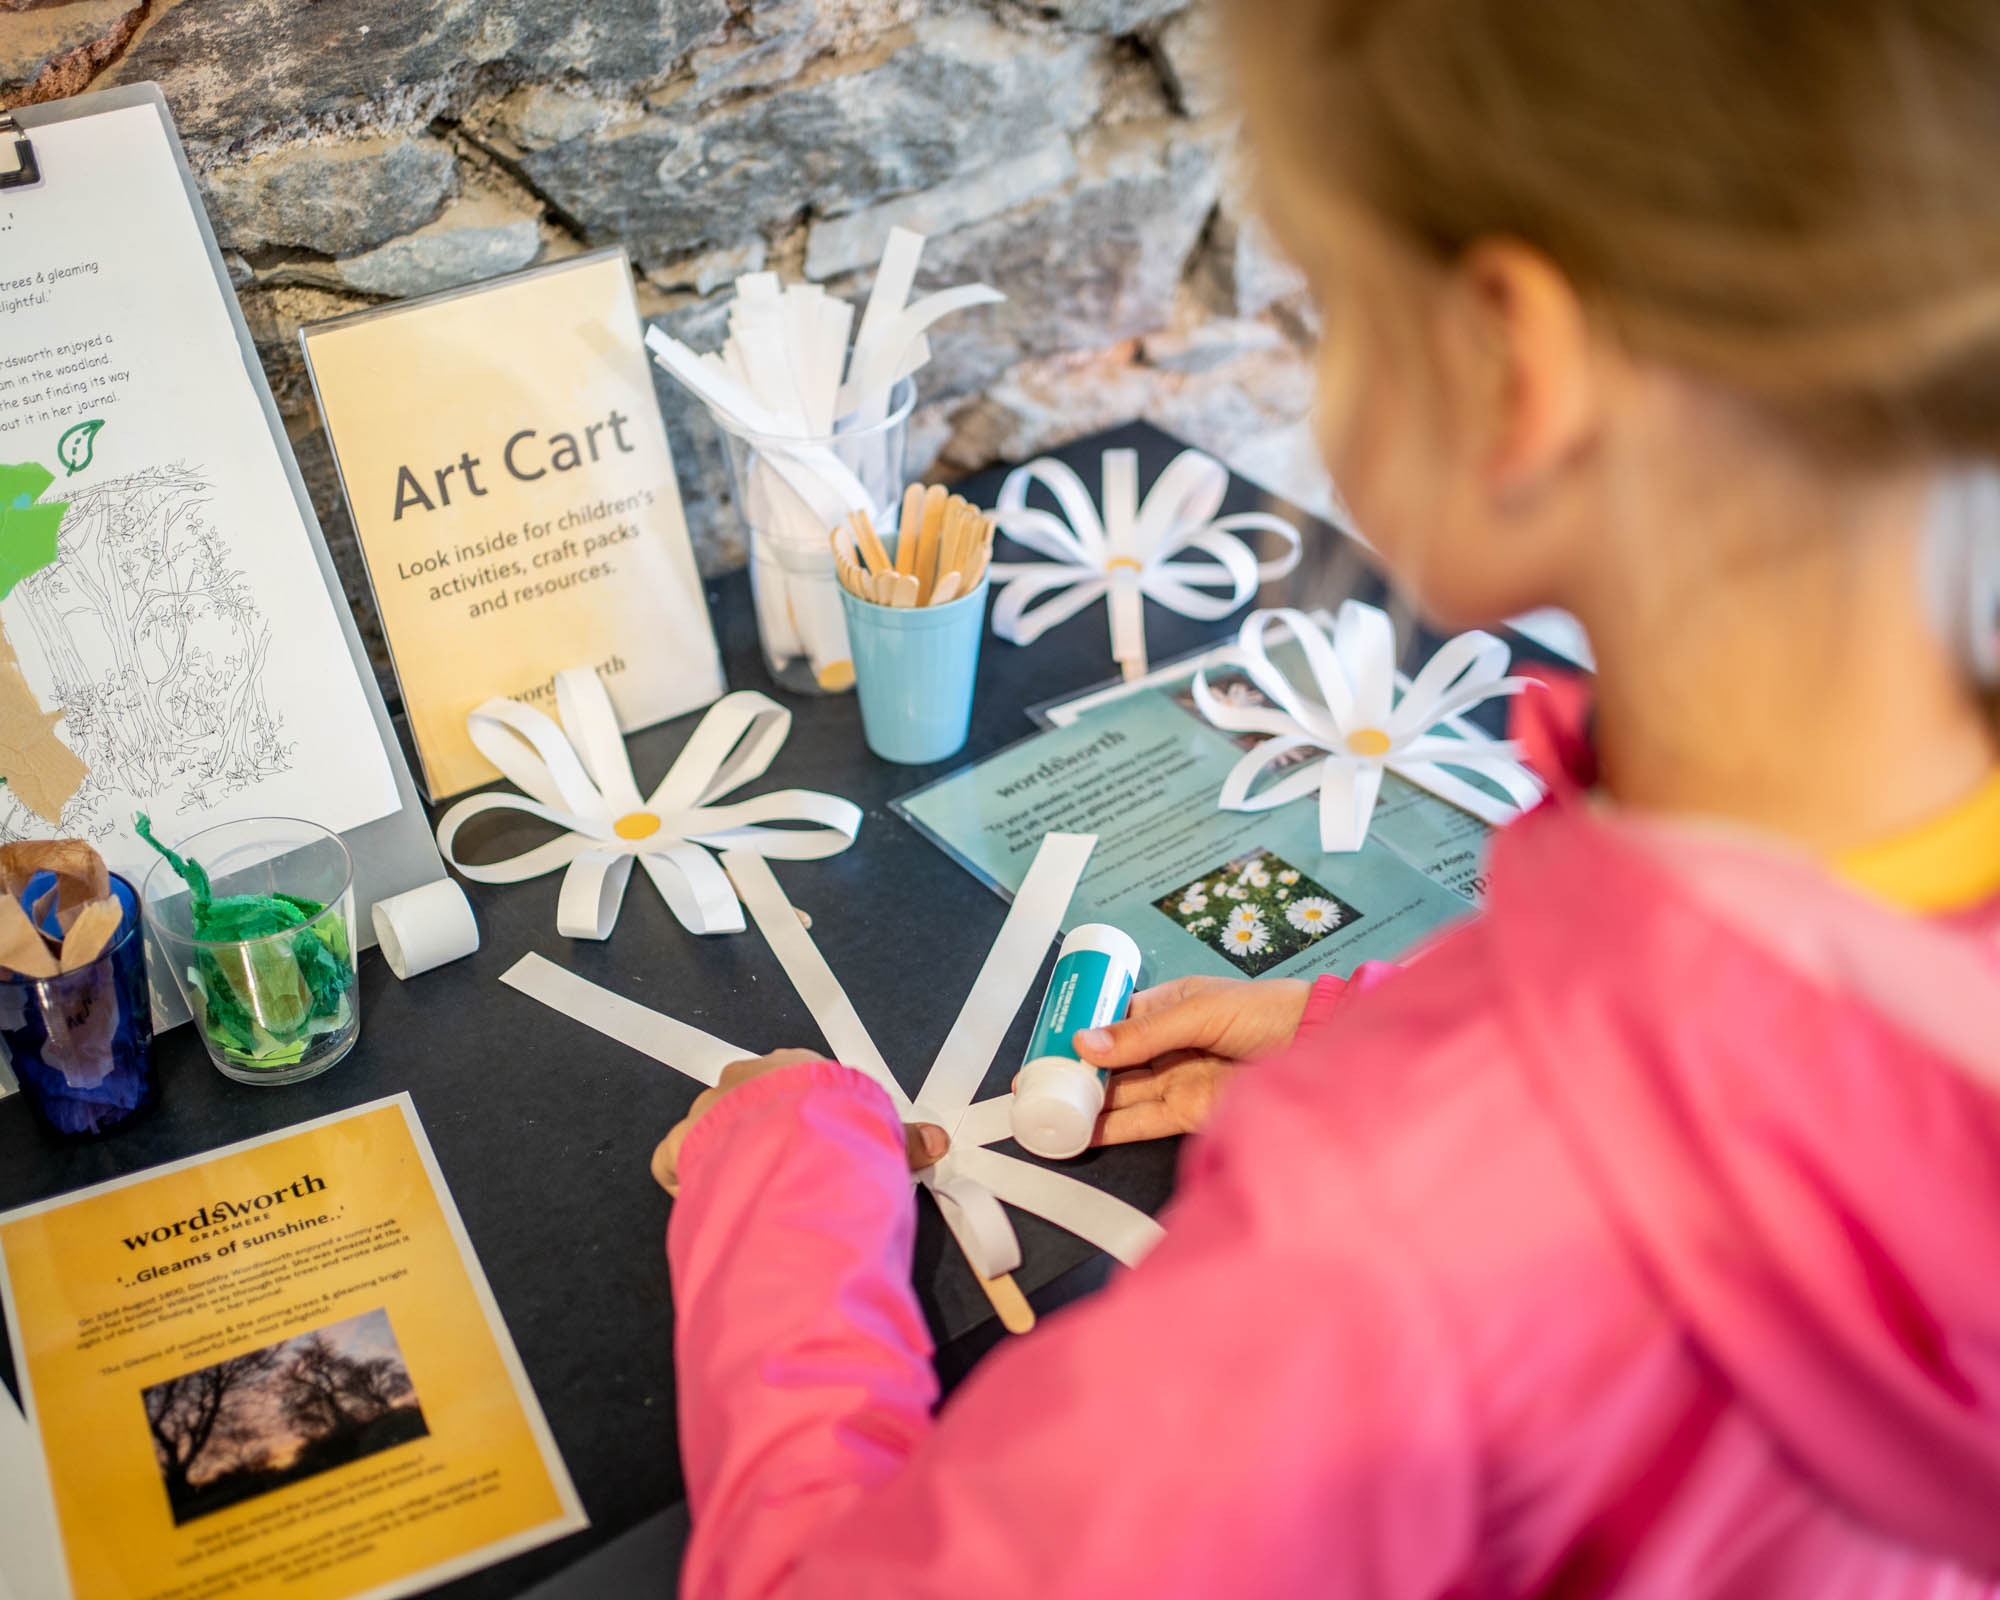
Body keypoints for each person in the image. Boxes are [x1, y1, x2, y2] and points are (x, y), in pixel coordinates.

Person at [650, 1, 2000, 1593]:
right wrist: (1385, 1022)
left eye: (1325, 303)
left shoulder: (1374, 1250)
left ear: (1511, 367)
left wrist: (785, 1187)